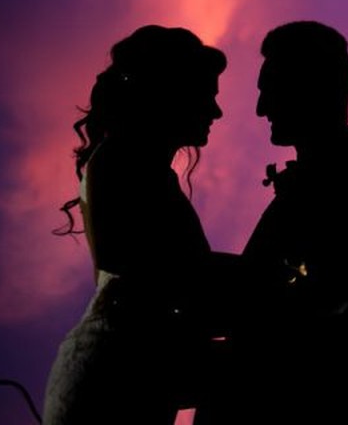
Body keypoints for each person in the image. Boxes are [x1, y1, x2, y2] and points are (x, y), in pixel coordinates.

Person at [197, 21, 348, 424]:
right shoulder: (314, 178)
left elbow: (326, 288)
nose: (262, 108)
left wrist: (193, 273)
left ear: (315, 86)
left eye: (271, 88)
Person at [43, 25, 230, 425]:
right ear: (169, 90)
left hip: (130, 379)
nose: (216, 111)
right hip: (109, 383)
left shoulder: (145, 170)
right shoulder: (118, 161)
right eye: (207, 95)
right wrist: (279, 277)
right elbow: (152, 271)